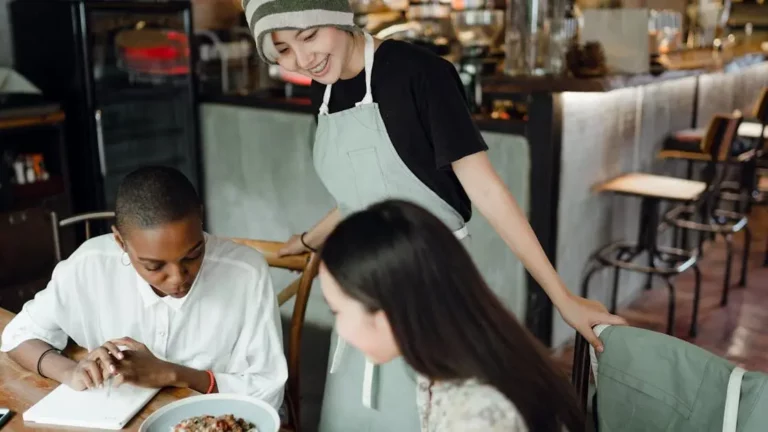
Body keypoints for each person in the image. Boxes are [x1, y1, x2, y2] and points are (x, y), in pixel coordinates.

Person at [244, 1, 623, 429]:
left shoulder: (421, 74)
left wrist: (562, 297)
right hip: (364, 296)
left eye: (309, 36)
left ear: (339, 18)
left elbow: (486, 189)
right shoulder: (324, 87)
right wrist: (311, 238)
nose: (304, 58)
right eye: (284, 49)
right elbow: (362, 192)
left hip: (434, 293)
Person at [0, 166, 287, 410]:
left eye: (193, 254)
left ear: (201, 217)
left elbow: (268, 390)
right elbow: (17, 335)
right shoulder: (91, 264)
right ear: (120, 242)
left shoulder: (245, 273)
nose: (177, 278)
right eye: (154, 266)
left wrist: (174, 374)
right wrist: (71, 371)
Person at [320, 199, 585, 432]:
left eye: (338, 311)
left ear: (387, 314)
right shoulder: (456, 355)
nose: (339, 329)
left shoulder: (479, 416)